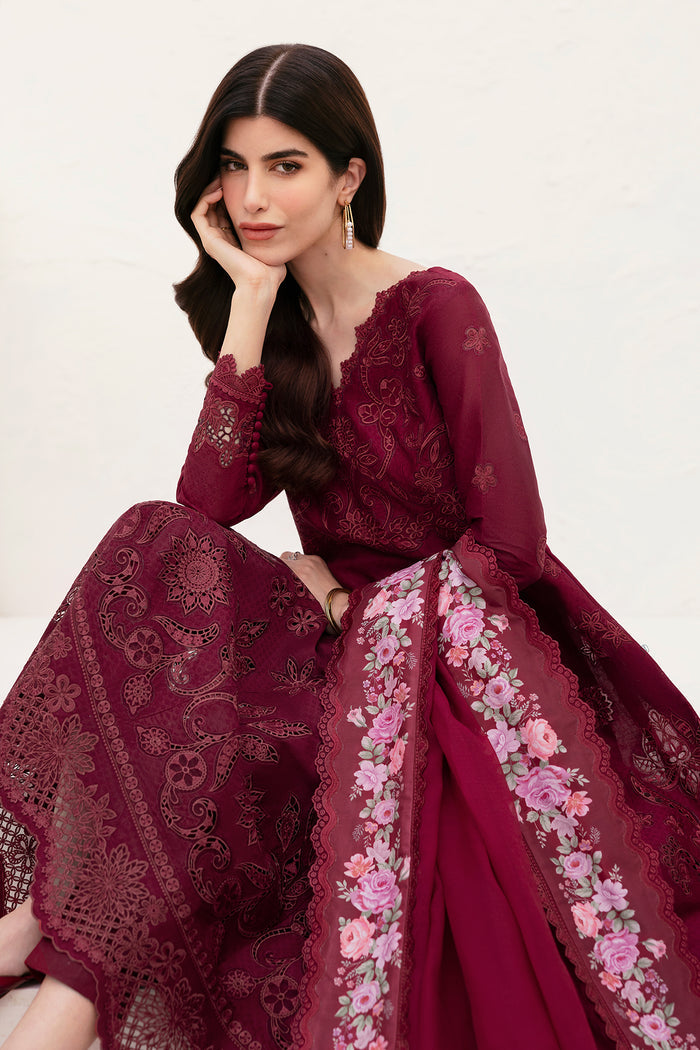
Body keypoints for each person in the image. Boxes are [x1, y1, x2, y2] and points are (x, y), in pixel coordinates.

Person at [0, 42, 697, 1050]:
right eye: (233, 167)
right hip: (326, 622)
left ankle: (55, 966)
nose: (253, 197)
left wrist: (341, 605)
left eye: (285, 166)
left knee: (226, 723)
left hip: (454, 640)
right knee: (153, 538)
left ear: (348, 177)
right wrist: (248, 303)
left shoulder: (437, 308)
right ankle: (50, 924)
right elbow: (207, 505)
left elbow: (512, 546)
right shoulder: (275, 316)